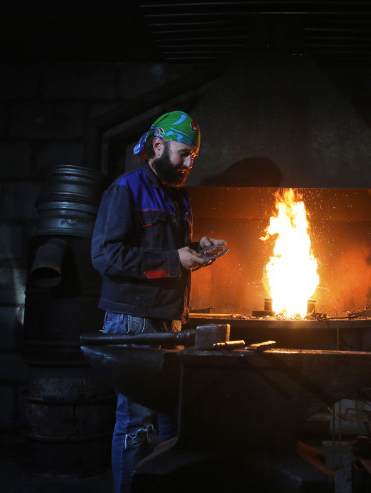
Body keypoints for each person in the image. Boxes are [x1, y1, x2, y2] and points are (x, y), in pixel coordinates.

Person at [91, 110, 223, 493]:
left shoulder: (177, 197)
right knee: (136, 422)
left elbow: (166, 252)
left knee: (170, 420)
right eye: (184, 154)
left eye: (193, 157)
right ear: (158, 145)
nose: (188, 164)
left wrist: (197, 249)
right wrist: (174, 259)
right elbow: (105, 257)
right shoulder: (126, 189)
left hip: (168, 320)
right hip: (134, 320)